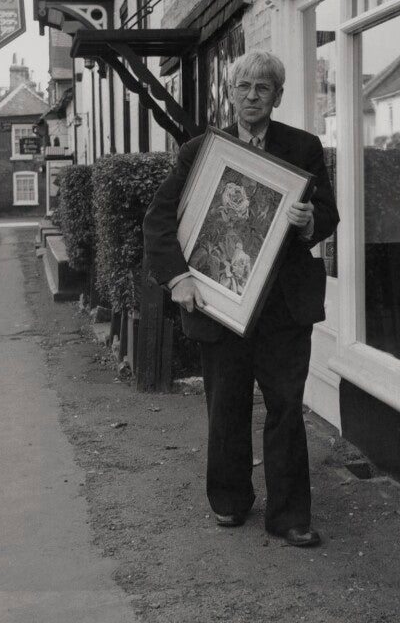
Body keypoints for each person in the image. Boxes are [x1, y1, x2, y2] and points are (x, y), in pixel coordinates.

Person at [143, 50, 339, 547]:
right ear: (230, 93)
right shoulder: (202, 153)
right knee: (226, 406)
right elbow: (159, 222)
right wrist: (177, 280)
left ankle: (290, 516)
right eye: (244, 87)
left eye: (263, 88)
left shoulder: (304, 147)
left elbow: (328, 214)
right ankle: (230, 500)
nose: (252, 96)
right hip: (221, 305)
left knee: (286, 409)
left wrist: (309, 222)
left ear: (277, 95)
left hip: (283, 308)